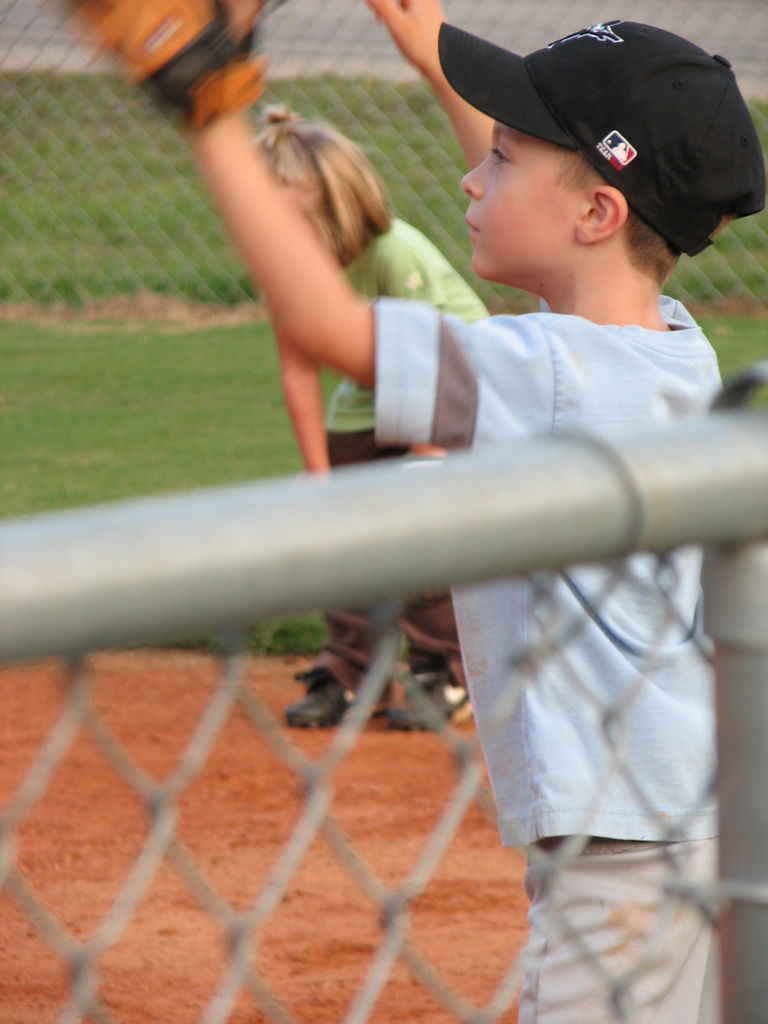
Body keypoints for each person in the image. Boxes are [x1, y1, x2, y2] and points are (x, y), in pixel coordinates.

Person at [73, 0, 765, 1019]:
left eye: (504, 158)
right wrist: (432, 55)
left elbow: (324, 323)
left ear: (598, 214)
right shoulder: (667, 345)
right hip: (708, 818)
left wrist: (210, 117)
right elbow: (563, 232)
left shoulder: (541, 374)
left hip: (618, 864)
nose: (469, 176)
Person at [254, 105, 488, 730]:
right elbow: (298, 369)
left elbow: (432, 353)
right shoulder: (287, 269)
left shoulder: (393, 250)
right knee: (344, 536)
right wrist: (317, 473)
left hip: (456, 391)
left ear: (340, 203)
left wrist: (428, 453)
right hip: (369, 395)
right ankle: (353, 670)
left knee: (425, 537)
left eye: (298, 220)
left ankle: (444, 671)